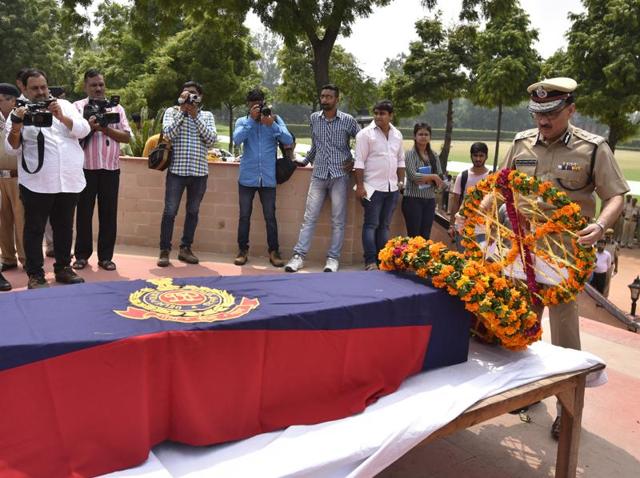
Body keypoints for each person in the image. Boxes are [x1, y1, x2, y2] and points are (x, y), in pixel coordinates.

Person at [501, 77, 629, 439]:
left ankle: (567, 407)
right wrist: (477, 215)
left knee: (564, 333)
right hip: (522, 250)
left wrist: (602, 225)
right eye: (538, 113)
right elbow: (501, 183)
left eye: (552, 114)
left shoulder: (592, 148)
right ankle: (527, 393)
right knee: (523, 324)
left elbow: (616, 194)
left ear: (571, 110)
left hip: (564, 254)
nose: (543, 121)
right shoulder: (521, 143)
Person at [4, 68, 91, 289]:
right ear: (23, 88)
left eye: (44, 86)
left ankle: (63, 268)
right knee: (34, 229)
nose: (41, 92)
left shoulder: (65, 106)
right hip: (37, 183)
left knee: (64, 227)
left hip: (69, 180)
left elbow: (84, 130)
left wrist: (61, 117)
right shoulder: (19, 111)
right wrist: (16, 126)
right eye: (35, 88)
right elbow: (11, 148)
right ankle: (36, 275)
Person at [285, 84, 359, 273]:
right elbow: (315, 144)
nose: (324, 99)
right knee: (309, 218)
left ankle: (333, 259)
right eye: (322, 96)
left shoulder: (348, 120)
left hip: (340, 176)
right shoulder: (314, 119)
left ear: (337, 99)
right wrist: (305, 161)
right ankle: (298, 257)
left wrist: (356, 160)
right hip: (318, 175)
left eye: (329, 97)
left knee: (338, 220)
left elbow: (364, 141)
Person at [72, 69, 131, 271]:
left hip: (110, 169)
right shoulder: (77, 107)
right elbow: (71, 137)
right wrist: (89, 127)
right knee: (83, 214)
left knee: (108, 214)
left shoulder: (117, 108)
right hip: (85, 169)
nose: (98, 88)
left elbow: (126, 137)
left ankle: (106, 257)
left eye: (101, 84)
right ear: (85, 86)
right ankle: (81, 256)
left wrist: (104, 128)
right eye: (93, 85)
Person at [157, 81, 216, 267]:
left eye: (193, 94)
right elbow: (168, 134)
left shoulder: (206, 116)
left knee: (193, 212)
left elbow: (211, 140)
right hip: (177, 171)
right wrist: (183, 113)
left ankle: (185, 248)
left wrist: (195, 116)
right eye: (186, 93)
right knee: (170, 211)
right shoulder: (172, 112)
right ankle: (164, 251)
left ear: (200, 97)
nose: (190, 97)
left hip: (199, 172)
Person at [232, 88, 293, 267]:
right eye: (253, 105)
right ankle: (242, 250)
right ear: (248, 105)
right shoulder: (242, 121)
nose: (257, 108)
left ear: (264, 102)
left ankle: (274, 252)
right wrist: (251, 121)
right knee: (244, 216)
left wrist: (272, 124)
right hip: (247, 178)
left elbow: (288, 139)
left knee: (270, 216)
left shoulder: (274, 119)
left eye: (259, 103)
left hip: (267, 178)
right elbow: (236, 140)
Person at [354, 100, 405, 271]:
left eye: (382, 114)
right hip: (372, 188)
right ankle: (370, 261)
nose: (378, 117)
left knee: (384, 226)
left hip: (391, 188)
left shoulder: (397, 135)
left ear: (391, 115)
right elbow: (359, 162)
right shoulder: (365, 134)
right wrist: (360, 186)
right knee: (371, 225)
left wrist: (400, 183)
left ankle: (381, 259)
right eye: (376, 113)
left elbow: (400, 160)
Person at [401, 122, 444, 240]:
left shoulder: (434, 155)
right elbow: (413, 177)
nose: (423, 137)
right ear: (414, 136)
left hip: (429, 200)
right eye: (420, 134)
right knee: (414, 236)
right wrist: (433, 177)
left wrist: (432, 178)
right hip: (413, 200)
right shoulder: (410, 154)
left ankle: (422, 259)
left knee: (425, 235)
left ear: (430, 137)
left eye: (426, 134)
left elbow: (440, 177)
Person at [0, 83, 23, 291]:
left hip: (18, 177)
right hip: (0, 177)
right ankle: (7, 258)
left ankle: (27, 259)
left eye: (1, 99)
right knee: (3, 220)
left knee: (21, 218)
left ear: (12, 100)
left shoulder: (23, 117)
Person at [448, 142, 490, 250]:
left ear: (486, 156)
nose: (478, 159)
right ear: (471, 156)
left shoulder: (491, 177)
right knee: (463, 259)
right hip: (462, 225)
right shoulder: (462, 176)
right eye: (475, 155)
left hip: (483, 227)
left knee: (481, 260)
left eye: (481, 156)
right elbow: (455, 202)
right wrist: (452, 225)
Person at [602, 229, 619, 298]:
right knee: (599, 280)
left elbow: (616, 257)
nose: (608, 236)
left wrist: (616, 268)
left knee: (607, 283)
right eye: (606, 234)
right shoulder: (601, 243)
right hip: (601, 264)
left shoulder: (615, 244)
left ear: (612, 235)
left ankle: (604, 298)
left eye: (610, 234)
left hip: (610, 265)